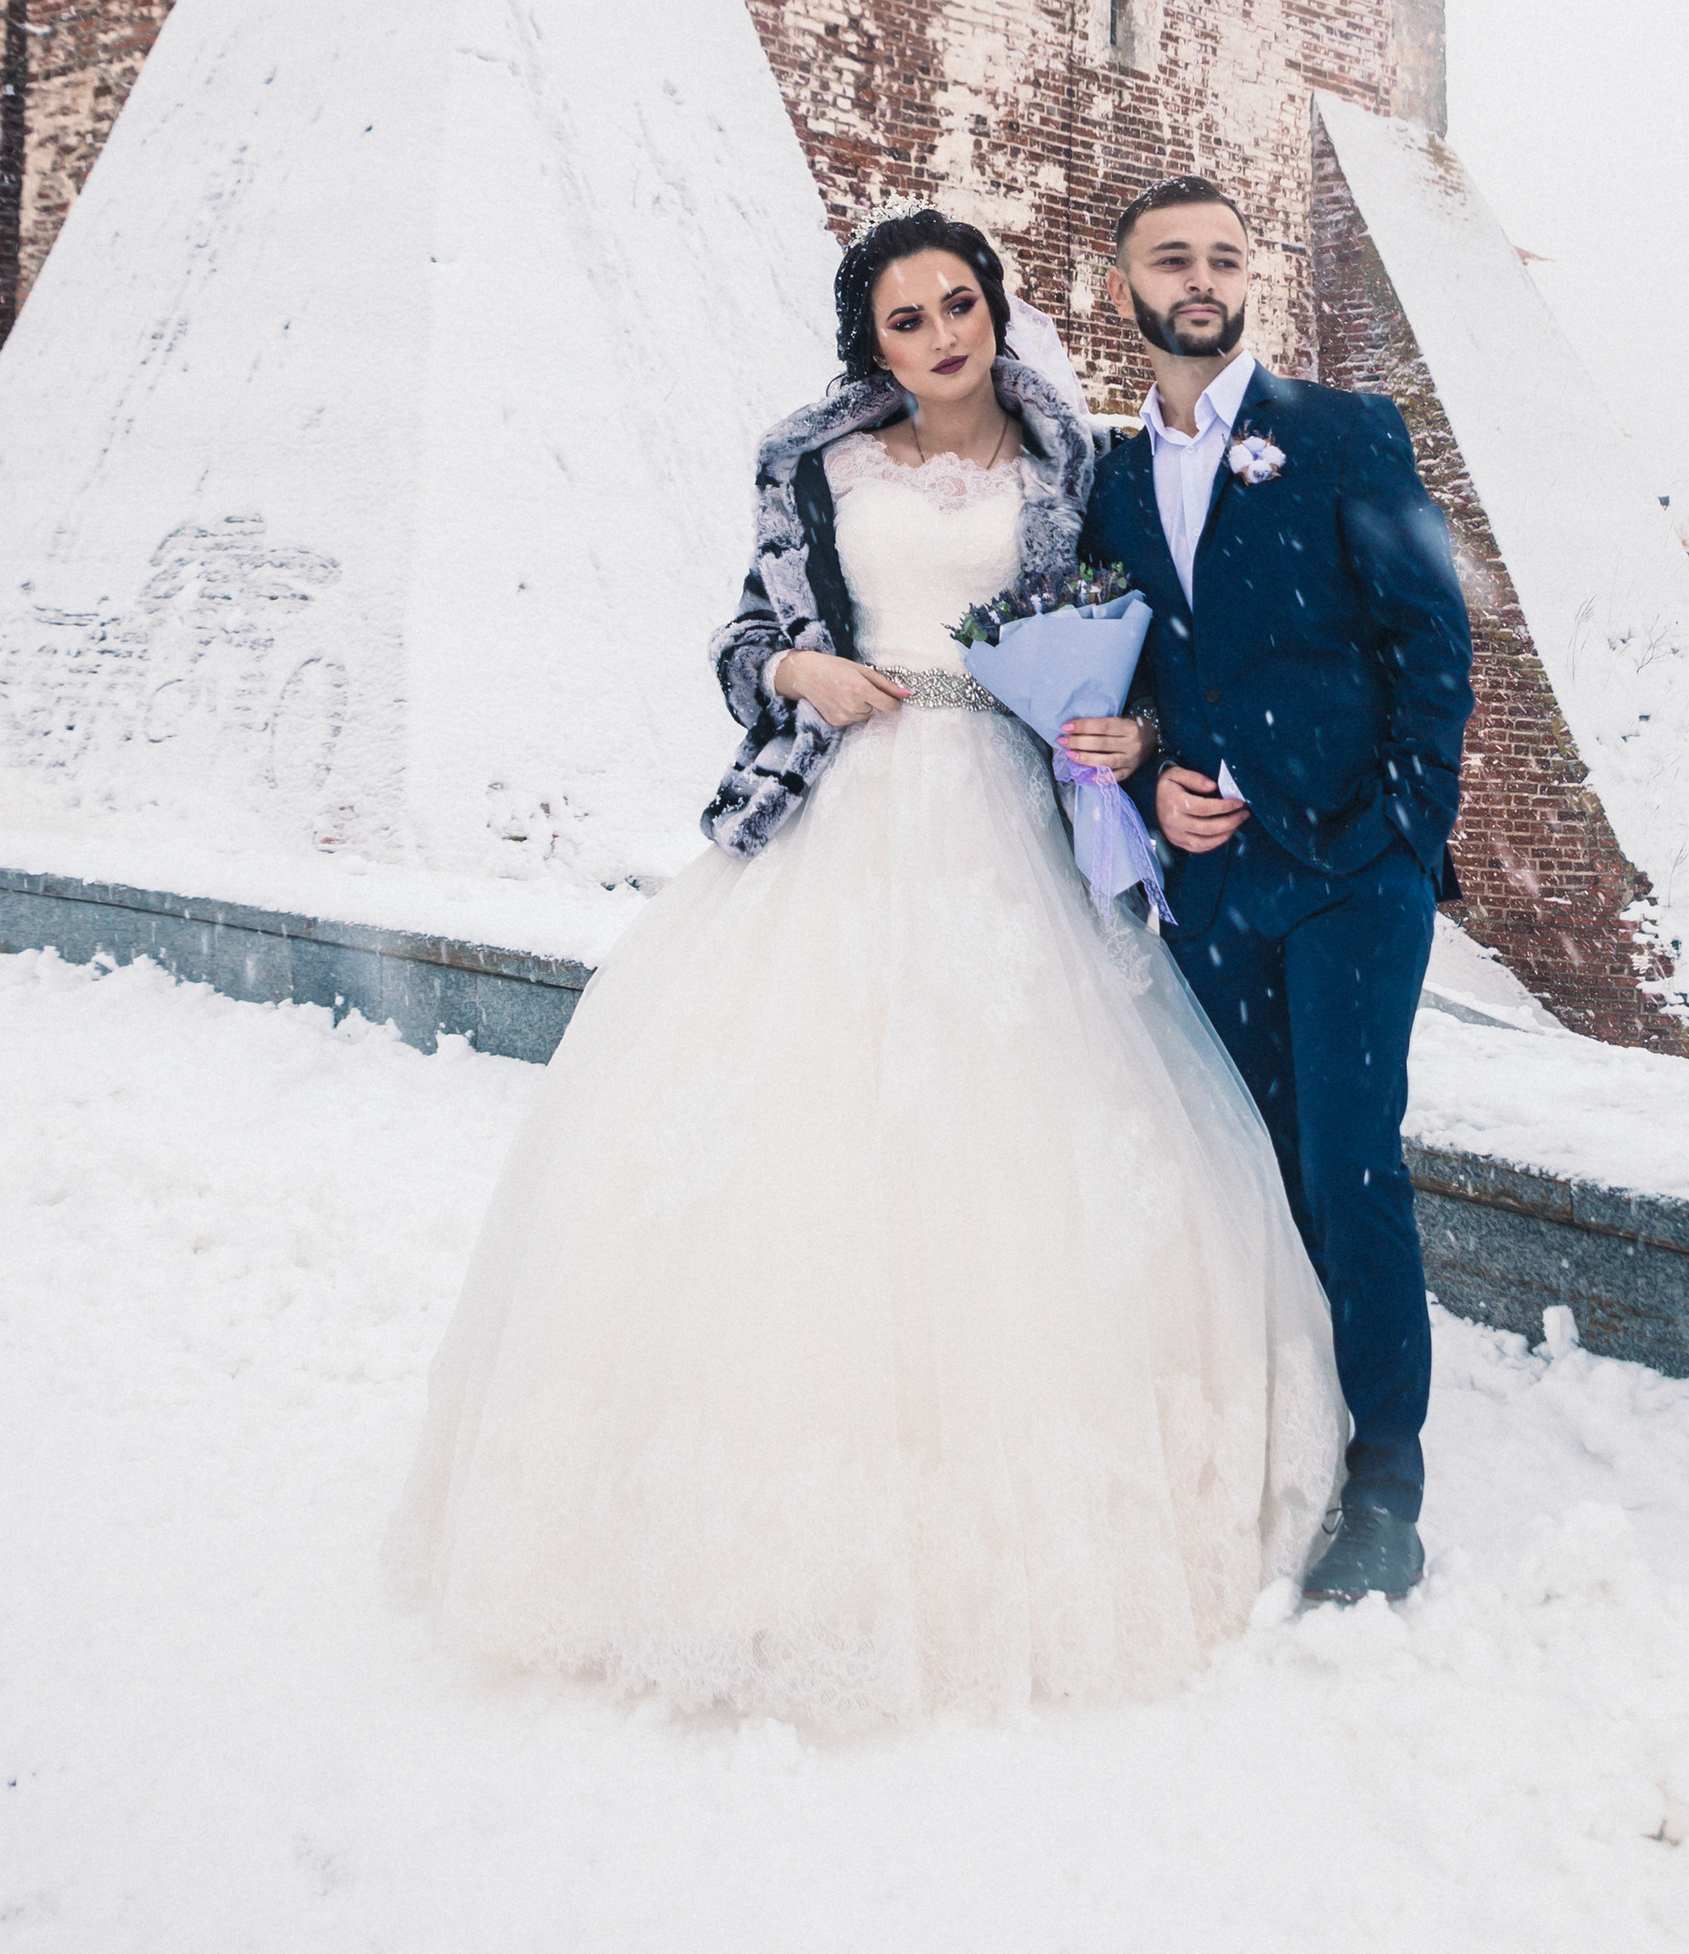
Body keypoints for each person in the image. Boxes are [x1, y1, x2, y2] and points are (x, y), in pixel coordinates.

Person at [386, 207, 1344, 1732]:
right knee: (798, 1151)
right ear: (871, 345)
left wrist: (1138, 733)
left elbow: (1148, 647)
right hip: (843, 805)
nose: (942, 337)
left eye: (959, 304)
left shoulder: (1074, 467)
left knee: (1017, 1148)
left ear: (995, 308)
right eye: (907, 320)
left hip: (1014, 826)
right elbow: (739, 637)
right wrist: (794, 669)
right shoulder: (814, 469)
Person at [1086, 177, 1472, 1607]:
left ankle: (1385, 1485)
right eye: (1172, 259)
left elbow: (1433, 641)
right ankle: (1289, 1434)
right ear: (1122, 285)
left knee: (1351, 1165)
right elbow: (1129, 675)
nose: (1202, 279)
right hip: (1213, 886)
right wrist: (1151, 778)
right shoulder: (1109, 482)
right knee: (1249, 1170)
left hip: (1352, 872)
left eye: (1225, 259)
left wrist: (1404, 830)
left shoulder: (1342, 433)